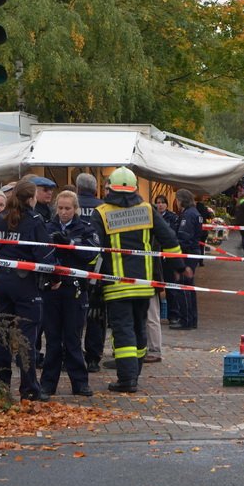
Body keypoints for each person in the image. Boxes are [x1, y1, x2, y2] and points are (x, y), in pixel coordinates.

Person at [92, 166, 184, 393]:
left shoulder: (101, 212)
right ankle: (135, 372)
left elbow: (92, 250)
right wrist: (178, 266)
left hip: (116, 285)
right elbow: (169, 239)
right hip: (144, 284)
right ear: (134, 188)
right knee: (139, 328)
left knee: (123, 330)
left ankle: (126, 379)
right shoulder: (147, 209)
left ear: (110, 187)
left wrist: (91, 282)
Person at [0, 179, 58, 402]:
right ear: (31, 198)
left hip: (1, 281)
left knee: (0, 335)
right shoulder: (34, 221)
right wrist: (55, 277)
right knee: (27, 338)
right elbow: (45, 255)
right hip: (25, 284)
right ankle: (29, 389)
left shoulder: (1, 218)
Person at [40, 190, 99, 396]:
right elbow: (41, 254)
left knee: (73, 339)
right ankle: (48, 383)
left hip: (74, 289)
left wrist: (71, 244)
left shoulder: (85, 229)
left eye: (68, 208)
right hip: (52, 289)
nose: (64, 212)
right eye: (61, 208)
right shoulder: (47, 227)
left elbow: (91, 254)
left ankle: (80, 383)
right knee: (53, 339)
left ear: (76, 209)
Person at [75, 173, 106, 372]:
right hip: (99, 268)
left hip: (74, 267)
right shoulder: (103, 208)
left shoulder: (68, 206)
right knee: (96, 315)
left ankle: (71, 353)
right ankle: (93, 358)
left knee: (72, 315)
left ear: (78, 188)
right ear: (95, 188)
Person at [173, 189, 202, 330]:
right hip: (193, 252)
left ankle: (186, 320)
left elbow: (184, 237)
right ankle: (192, 319)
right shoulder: (194, 213)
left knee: (183, 287)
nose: (176, 202)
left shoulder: (188, 215)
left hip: (187, 253)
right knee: (189, 288)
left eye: (177, 199)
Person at [153, 195, 180, 328]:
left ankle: (173, 315)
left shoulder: (172, 217)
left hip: (168, 255)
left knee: (171, 286)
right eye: (158, 203)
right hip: (155, 255)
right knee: (155, 286)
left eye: (163, 203)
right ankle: (156, 314)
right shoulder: (151, 217)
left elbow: (172, 235)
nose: (160, 205)